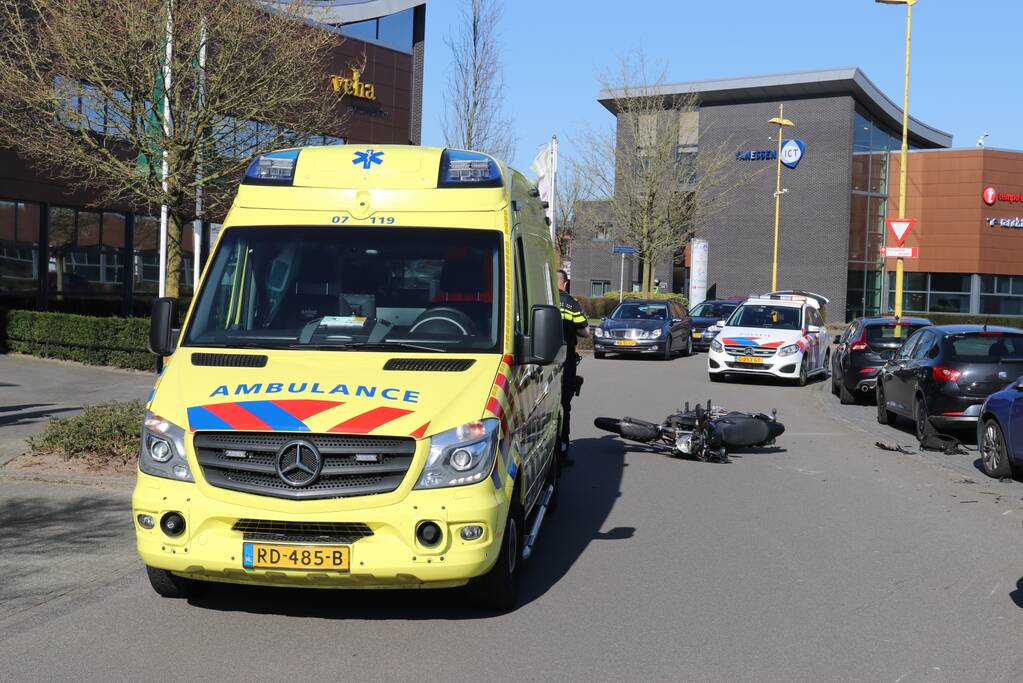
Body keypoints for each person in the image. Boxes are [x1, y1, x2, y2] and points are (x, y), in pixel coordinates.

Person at [557, 269, 588, 465]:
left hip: (541, 361)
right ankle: (562, 449)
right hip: (565, 361)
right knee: (564, 405)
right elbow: (585, 331)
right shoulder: (570, 303)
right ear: (565, 283)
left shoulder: (540, 299)